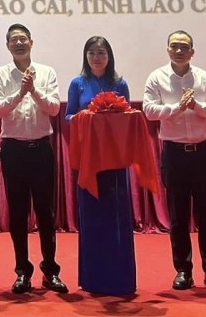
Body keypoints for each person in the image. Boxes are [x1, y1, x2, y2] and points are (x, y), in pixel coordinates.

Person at [142, 29, 206, 293]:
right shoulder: (156, 77)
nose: (179, 50)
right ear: (168, 50)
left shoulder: (204, 78)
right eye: (174, 46)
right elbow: (149, 111)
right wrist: (177, 108)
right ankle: (183, 271)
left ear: (192, 51)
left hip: (202, 155)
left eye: (184, 46)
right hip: (173, 155)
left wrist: (196, 106)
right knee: (178, 217)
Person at [0, 23, 66, 294]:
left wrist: (33, 90)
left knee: (46, 213)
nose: (19, 44)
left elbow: (54, 108)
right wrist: (20, 92)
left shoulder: (47, 73)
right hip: (14, 151)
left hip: (42, 149)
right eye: (14, 40)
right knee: (18, 214)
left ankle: (50, 271)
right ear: (7, 45)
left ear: (31, 42)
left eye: (23, 39)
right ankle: (22, 271)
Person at [65, 36, 136, 295]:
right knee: (92, 217)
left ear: (109, 56)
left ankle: (121, 279)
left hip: (115, 160)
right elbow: (69, 116)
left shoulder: (120, 83)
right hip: (90, 160)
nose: (97, 57)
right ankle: (94, 279)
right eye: (92, 52)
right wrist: (86, 116)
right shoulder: (77, 83)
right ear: (86, 56)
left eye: (102, 52)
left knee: (117, 218)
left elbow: (128, 117)